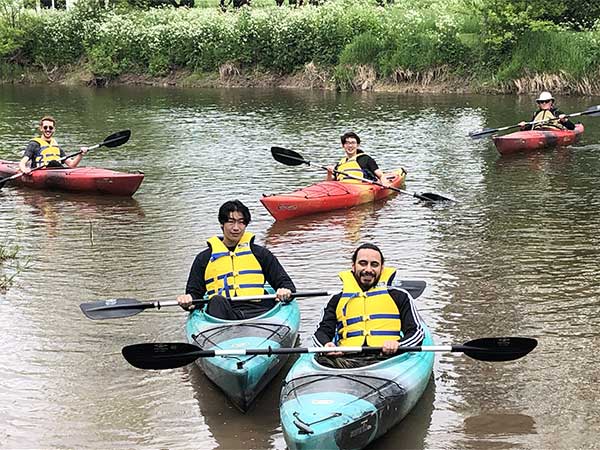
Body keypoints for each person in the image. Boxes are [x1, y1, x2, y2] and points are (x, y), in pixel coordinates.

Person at [312, 243, 425, 369]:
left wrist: (398, 344)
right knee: (324, 360)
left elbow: (416, 333)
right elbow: (321, 332)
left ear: (382, 268)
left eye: (374, 265)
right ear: (353, 266)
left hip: (389, 359)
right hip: (346, 359)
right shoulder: (337, 300)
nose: (368, 269)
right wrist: (327, 345)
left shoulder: (399, 296)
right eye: (363, 263)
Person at [177, 200, 295, 320]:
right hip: (222, 316)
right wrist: (188, 301)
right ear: (222, 224)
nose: (236, 228)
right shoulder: (204, 258)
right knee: (216, 300)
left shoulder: (260, 254)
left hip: (259, 312)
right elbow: (194, 296)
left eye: (241, 222)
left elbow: (286, 284)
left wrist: (285, 291)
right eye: (231, 222)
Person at [19, 116, 88, 175]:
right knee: (53, 162)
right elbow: (22, 163)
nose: (48, 130)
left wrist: (80, 154)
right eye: (45, 127)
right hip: (40, 173)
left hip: (57, 172)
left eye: (50, 128)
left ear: (54, 129)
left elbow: (71, 164)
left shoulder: (56, 146)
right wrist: (25, 170)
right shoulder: (34, 144)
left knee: (54, 163)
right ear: (41, 128)